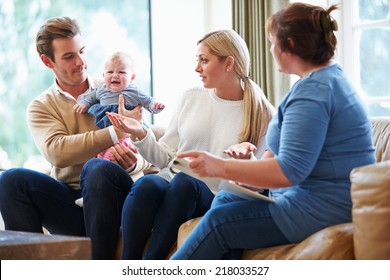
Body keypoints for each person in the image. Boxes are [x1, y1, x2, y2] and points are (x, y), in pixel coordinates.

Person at [170, 2, 376, 260]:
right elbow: (282, 154)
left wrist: (218, 167)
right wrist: (249, 173)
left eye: (272, 42)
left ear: (288, 45)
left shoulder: (315, 93)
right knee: (224, 201)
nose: (270, 50)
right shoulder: (321, 82)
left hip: (319, 208)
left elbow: (288, 170)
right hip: (301, 199)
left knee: (219, 222)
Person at [106, 29, 276, 259]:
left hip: (214, 196)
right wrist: (141, 134)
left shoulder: (262, 113)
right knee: (147, 185)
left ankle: (151, 265)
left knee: (186, 182)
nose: (197, 68)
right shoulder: (190, 97)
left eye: (204, 60)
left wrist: (246, 160)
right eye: (197, 60)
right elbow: (166, 157)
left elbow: (262, 178)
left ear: (229, 63)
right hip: (175, 185)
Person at [0, 17, 151, 259]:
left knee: (96, 169)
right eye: (69, 56)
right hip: (72, 203)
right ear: (47, 61)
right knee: (10, 180)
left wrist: (134, 163)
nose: (81, 62)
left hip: (117, 198)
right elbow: (57, 152)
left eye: (82, 51)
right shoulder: (41, 106)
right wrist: (115, 132)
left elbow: (150, 147)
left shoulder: (115, 86)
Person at [73, 51, 165, 161]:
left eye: (122, 72)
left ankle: (124, 154)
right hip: (107, 128)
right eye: (110, 72)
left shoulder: (134, 91)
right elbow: (91, 97)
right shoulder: (101, 89)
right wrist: (85, 104)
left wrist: (155, 105)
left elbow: (148, 101)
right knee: (105, 146)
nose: (115, 75)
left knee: (127, 145)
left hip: (128, 128)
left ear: (132, 77)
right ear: (103, 75)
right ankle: (104, 157)